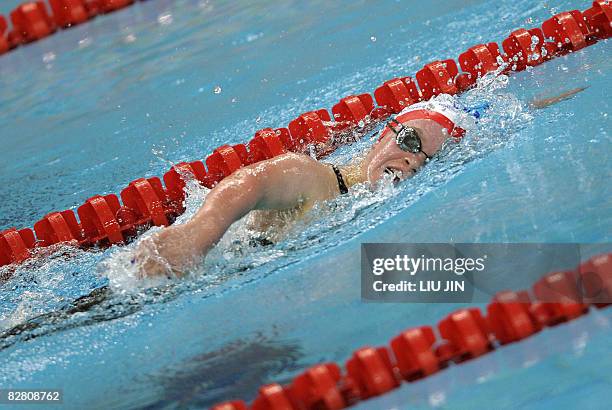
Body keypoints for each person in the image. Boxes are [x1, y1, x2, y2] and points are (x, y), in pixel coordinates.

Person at [134, 87, 586, 277]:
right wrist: (198, 233)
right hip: (174, 271)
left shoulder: (371, 205)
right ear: (385, 130)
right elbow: (251, 183)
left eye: (424, 160)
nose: (409, 161)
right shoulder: (316, 178)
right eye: (409, 141)